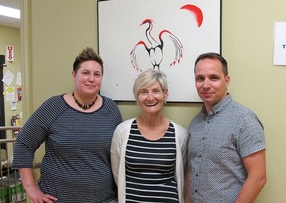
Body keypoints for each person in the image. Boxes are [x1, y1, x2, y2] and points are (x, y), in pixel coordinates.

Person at [12, 47, 122, 203]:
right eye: (85, 73)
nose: (91, 78)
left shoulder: (111, 109)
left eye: (97, 74)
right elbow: (23, 144)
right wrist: (31, 189)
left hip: (104, 199)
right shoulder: (53, 107)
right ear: (74, 75)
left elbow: (118, 153)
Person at [186, 52, 267, 203]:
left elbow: (258, 177)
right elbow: (192, 169)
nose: (206, 85)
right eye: (200, 78)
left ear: (227, 80)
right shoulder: (195, 123)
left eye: (214, 78)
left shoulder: (244, 119)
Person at [110, 69, 188, 203]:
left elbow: (181, 173)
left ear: (165, 94)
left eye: (156, 91)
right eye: (144, 92)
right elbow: (118, 173)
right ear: (137, 97)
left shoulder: (179, 134)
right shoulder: (122, 132)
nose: (150, 97)